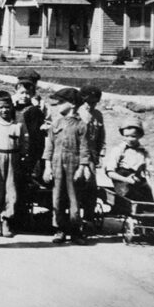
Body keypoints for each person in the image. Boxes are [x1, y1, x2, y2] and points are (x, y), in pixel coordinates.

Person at [42, 87, 92, 244]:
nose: (57, 105)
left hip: (74, 165)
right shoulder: (55, 124)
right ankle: (60, 229)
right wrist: (47, 167)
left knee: (74, 199)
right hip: (57, 164)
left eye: (61, 102)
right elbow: (49, 147)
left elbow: (85, 149)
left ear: (71, 104)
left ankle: (75, 231)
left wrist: (82, 168)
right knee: (57, 198)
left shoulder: (81, 126)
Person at [0, 92, 28, 238]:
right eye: (1, 107)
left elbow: (23, 144)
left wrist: (21, 157)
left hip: (13, 158)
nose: (4, 110)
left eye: (7, 107)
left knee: (11, 191)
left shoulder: (18, 126)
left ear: (12, 107)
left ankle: (6, 220)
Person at [104, 116, 154, 203]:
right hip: (123, 182)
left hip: (138, 181)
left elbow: (149, 168)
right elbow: (110, 172)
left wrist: (150, 176)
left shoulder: (143, 152)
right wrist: (127, 180)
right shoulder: (118, 150)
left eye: (133, 136)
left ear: (140, 135)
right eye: (126, 136)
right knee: (134, 194)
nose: (130, 139)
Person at [78, 85, 106, 230]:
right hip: (77, 153)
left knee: (91, 186)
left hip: (92, 154)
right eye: (88, 102)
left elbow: (101, 136)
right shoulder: (77, 113)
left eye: (94, 102)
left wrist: (101, 154)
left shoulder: (98, 115)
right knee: (76, 183)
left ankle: (88, 216)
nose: (91, 105)